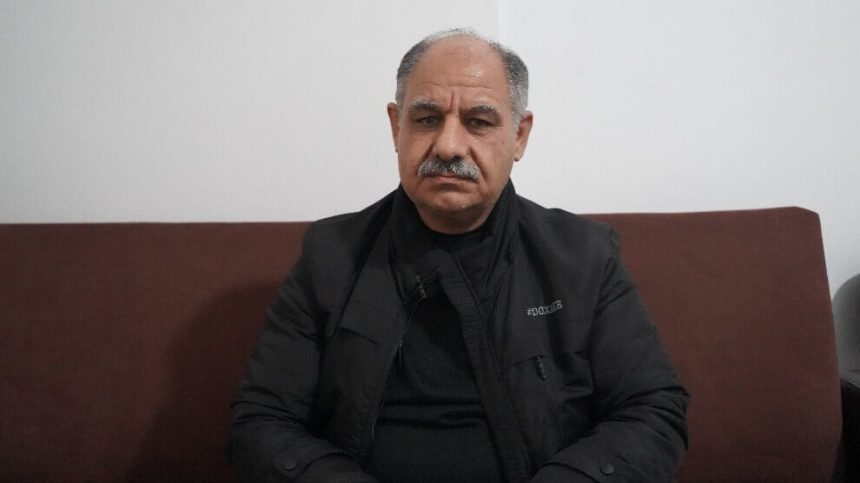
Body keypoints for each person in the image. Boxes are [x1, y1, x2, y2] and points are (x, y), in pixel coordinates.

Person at [229, 28, 689, 483]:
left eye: (479, 122)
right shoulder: (330, 256)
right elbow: (261, 420)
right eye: (427, 119)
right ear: (396, 126)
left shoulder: (584, 257)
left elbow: (653, 411)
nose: (448, 146)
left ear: (520, 135)